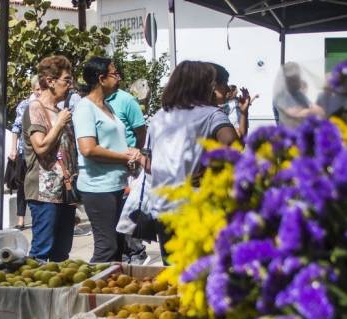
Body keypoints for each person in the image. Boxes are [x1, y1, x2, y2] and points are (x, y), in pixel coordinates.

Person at [148, 61, 239, 263]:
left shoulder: (160, 116)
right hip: (197, 209)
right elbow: (233, 144)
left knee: (173, 275)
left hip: (164, 208)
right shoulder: (211, 115)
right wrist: (212, 167)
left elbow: (151, 161)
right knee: (203, 276)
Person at [73, 57, 144, 263]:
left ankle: (110, 289)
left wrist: (131, 153)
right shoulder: (85, 108)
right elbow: (88, 148)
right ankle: (89, 291)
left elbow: (113, 142)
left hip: (116, 184)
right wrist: (124, 157)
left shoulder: (108, 106)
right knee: (107, 246)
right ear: (101, 79)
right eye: (115, 74)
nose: (119, 78)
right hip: (98, 187)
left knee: (119, 245)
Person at [22, 56, 78, 262]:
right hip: (44, 193)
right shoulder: (35, 108)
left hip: (64, 191)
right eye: (66, 80)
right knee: (42, 250)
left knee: (62, 253)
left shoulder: (60, 111)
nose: (70, 85)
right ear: (50, 81)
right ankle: (35, 293)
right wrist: (60, 123)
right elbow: (41, 146)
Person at [106, 75, 149, 265]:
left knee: (130, 218)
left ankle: (136, 255)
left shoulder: (126, 100)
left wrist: (135, 157)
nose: (118, 77)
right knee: (114, 224)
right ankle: (123, 257)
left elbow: (141, 132)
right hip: (106, 172)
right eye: (113, 73)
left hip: (129, 169)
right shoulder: (94, 103)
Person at [8, 75, 41, 230]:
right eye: (37, 89)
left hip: (42, 151)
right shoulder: (25, 105)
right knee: (22, 186)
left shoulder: (48, 105)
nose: (40, 92)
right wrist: (13, 149)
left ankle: (37, 218)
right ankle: (20, 219)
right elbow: (16, 128)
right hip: (25, 151)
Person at [273, 62, 324, 128]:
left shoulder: (298, 94)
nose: (298, 81)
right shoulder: (280, 96)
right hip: (288, 134)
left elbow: (317, 110)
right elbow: (293, 114)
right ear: (287, 80)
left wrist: (308, 110)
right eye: (295, 79)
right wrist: (308, 111)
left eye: (298, 78)